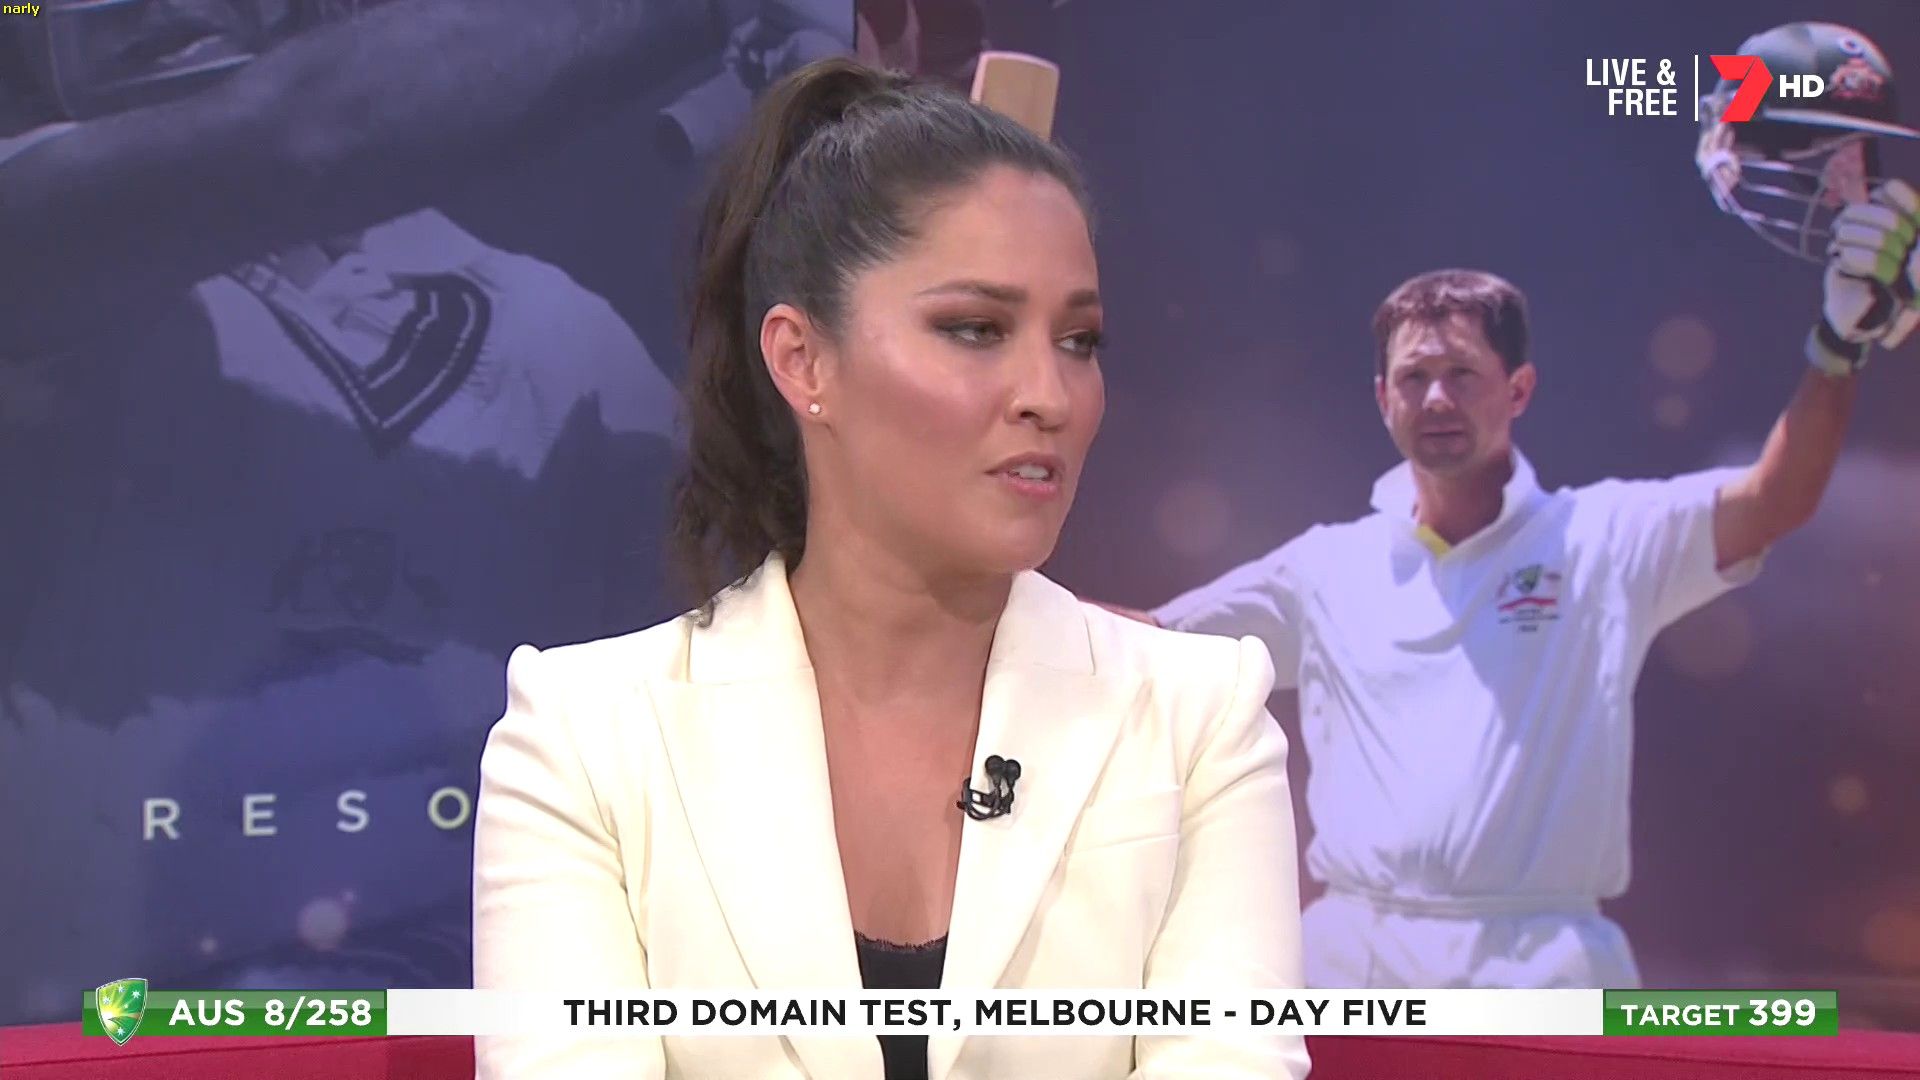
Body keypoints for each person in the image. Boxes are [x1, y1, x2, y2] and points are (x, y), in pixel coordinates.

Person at [472, 58, 1310, 1080]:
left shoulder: (1199, 717)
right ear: (803, 361)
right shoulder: (584, 738)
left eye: (1079, 340)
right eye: (975, 329)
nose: (1050, 395)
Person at [0, 0, 758, 1022]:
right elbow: (305, 139)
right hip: (133, 1021)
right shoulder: (32, 217)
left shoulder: (557, 324)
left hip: (476, 1009)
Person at [1116, 219, 1918, 987]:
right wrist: (1027, 588)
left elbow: (1775, 498)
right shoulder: (1324, 566)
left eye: (1461, 375)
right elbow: (1150, 644)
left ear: (1519, 389)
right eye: (1413, 378)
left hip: (1545, 966)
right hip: (1354, 960)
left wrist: (1836, 347)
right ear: (1383, 397)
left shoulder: (1604, 539)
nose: (1436, 398)